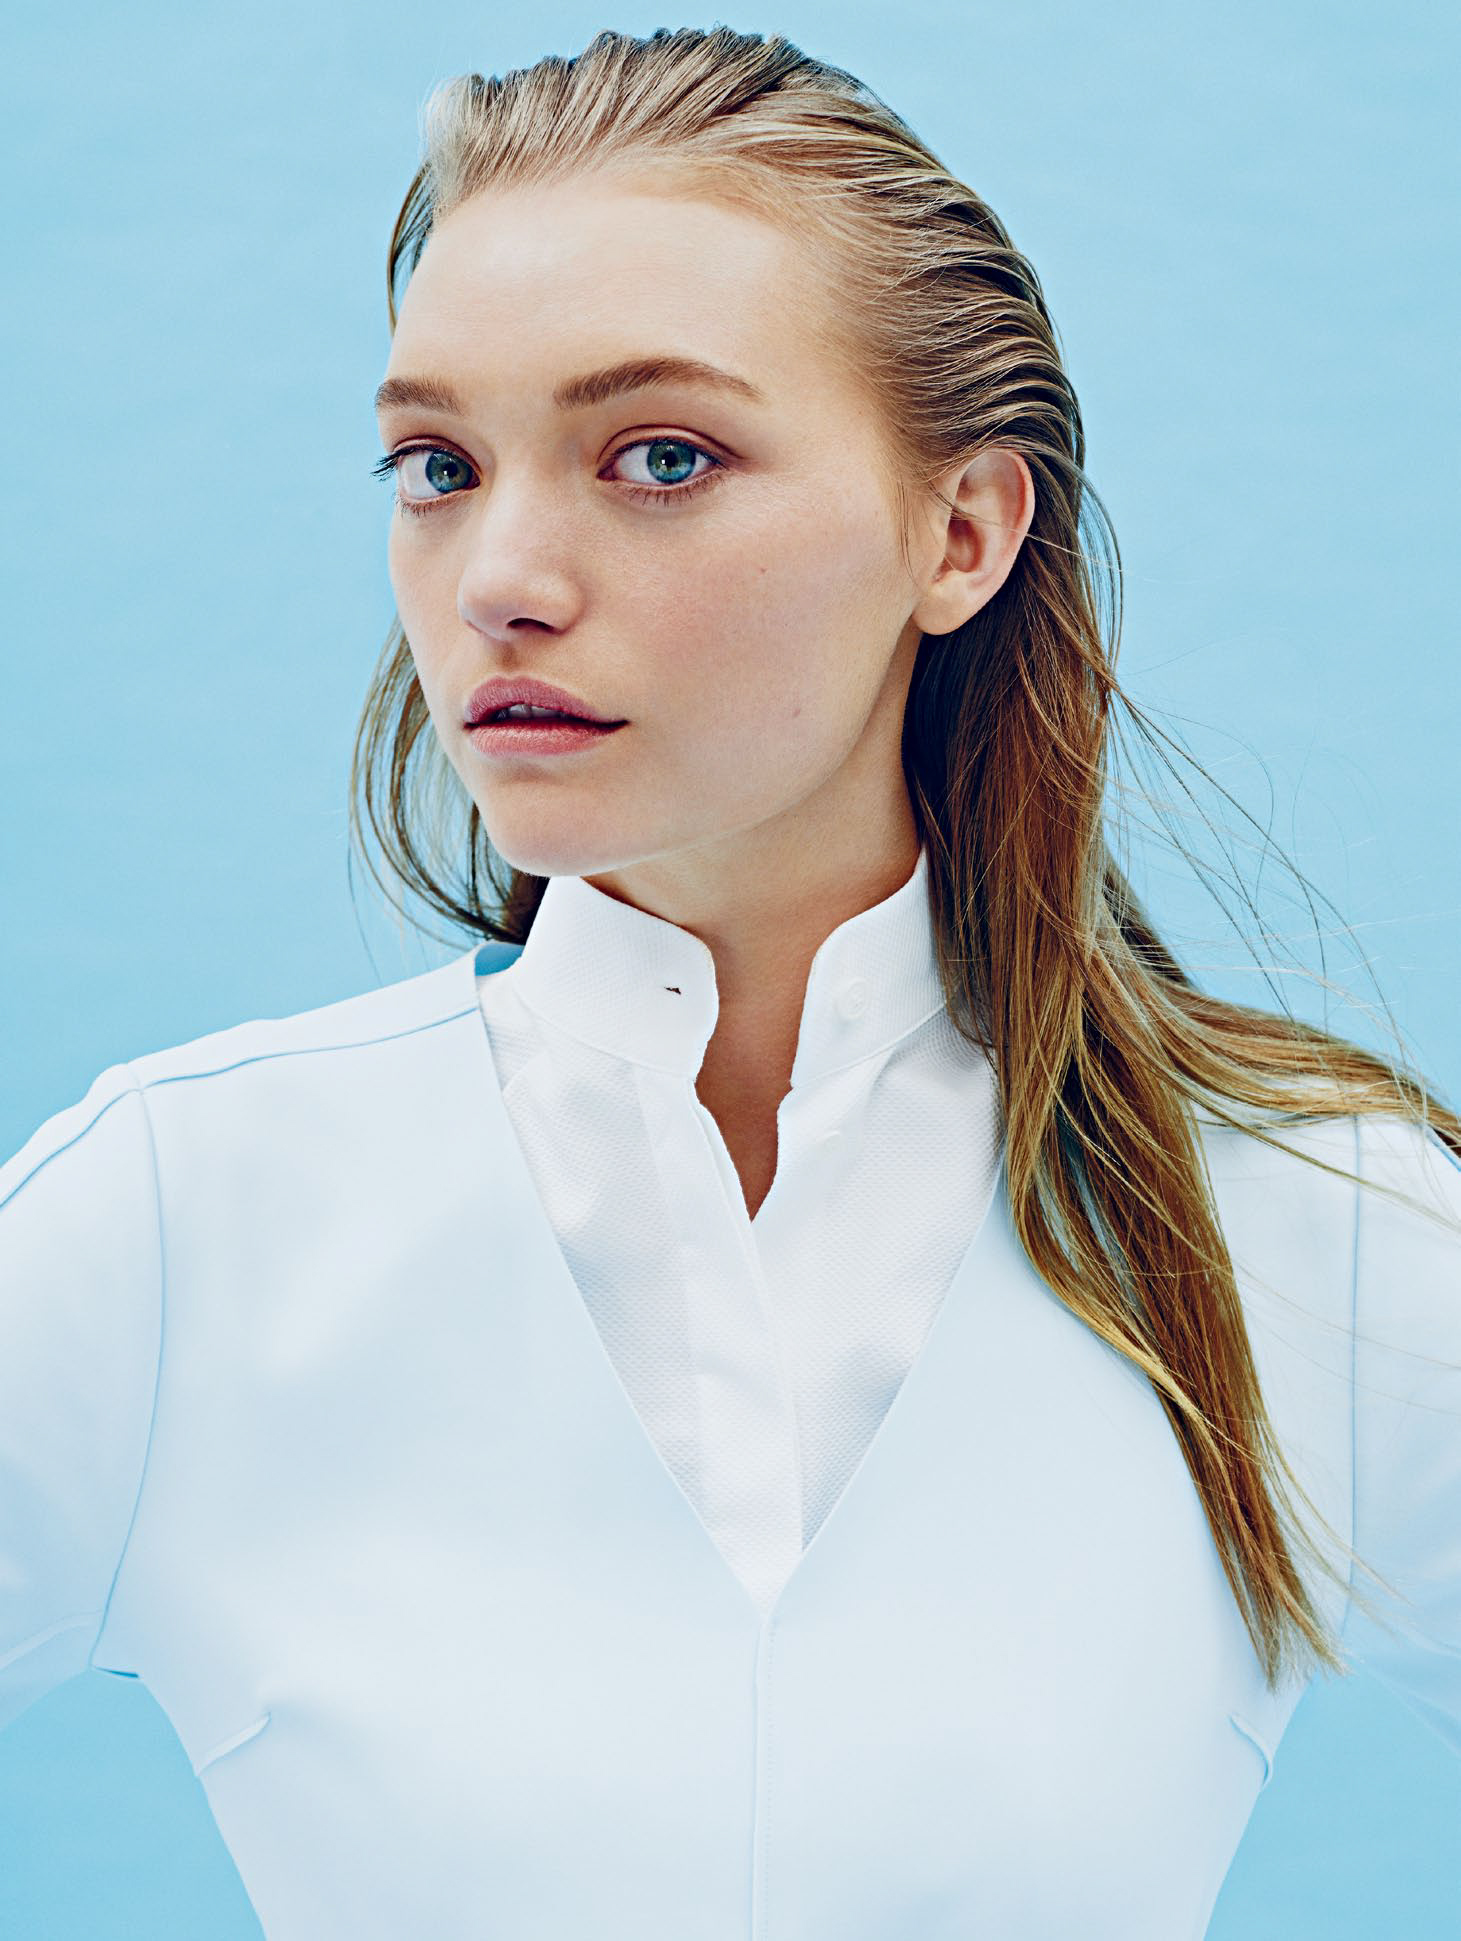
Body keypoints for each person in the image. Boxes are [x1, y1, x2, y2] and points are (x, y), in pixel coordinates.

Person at [3, 24, 1458, 1939]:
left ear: (961, 531)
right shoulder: (179, 1220)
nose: (499, 578)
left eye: (662, 457)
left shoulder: (1309, 1227)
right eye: (437, 465)